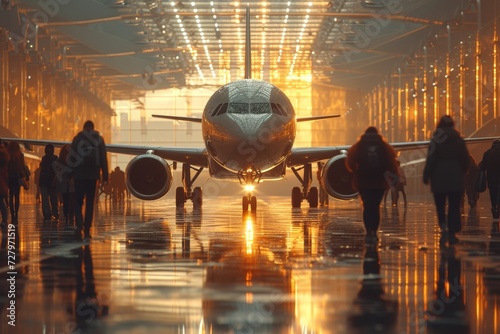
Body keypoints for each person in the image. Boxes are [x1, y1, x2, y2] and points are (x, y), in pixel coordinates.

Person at [346, 126, 398, 243]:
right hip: (379, 182)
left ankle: (369, 231)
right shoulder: (384, 147)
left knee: (367, 206)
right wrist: (394, 178)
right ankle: (374, 231)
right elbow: (392, 163)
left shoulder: (358, 146)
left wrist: (355, 171)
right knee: (375, 207)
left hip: (364, 182)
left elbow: (350, 161)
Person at [423, 115, 470, 246]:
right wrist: (463, 171)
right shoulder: (459, 140)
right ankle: (453, 230)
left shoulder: (435, 141)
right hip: (456, 178)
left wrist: (426, 175)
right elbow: (466, 160)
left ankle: (443, 225)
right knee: (454, 206)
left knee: (440, 204)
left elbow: (430, 159)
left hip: (439, 178)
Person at [70, 120, 109, 240]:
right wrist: (105, 176)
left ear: (83, 127)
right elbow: (103, 157)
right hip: (93, 176)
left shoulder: (77, 139)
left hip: (79, 175)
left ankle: (79, 224)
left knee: (78, 201)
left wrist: (69, 174)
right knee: (90, 202)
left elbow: (71, 157)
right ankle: (87, 227)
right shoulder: (99, 139)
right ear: (93, 127)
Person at [7, 141, 29, 223]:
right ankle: (16, 213)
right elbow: (22, 166)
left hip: (9, 178)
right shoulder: (20, 155)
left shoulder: (7, 154)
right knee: (17, 196)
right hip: (17, 178)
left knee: (10, 195)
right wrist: (25, 176)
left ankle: (12, 214)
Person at [478, 139, 500, 220]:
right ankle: (498, 209)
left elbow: (483, 166)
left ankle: (494, 208)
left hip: (491, 178)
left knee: (493, 194)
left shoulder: (487, 153)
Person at [54, 144, 75, 224]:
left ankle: (67, 216)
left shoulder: (59, 161)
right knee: (71, 201)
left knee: (66, 201)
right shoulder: (73, 160)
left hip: (63, 184)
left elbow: (58, 173)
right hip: (71, 184)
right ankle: (70, 216)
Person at [39, 144, 59, 221]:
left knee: (45, 199)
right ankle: (54, 212)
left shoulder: (44, 159)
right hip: (51, 181)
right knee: (53, 198)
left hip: (44, 181)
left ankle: (47, 213)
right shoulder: (55, 158)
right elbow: (58, 171)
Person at [0, 141, 10, 227]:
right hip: (2, 179)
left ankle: (4, 219)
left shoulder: (2, 152)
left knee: (0, 201)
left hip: (1, 180)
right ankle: (4, 219)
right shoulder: (4, 152)